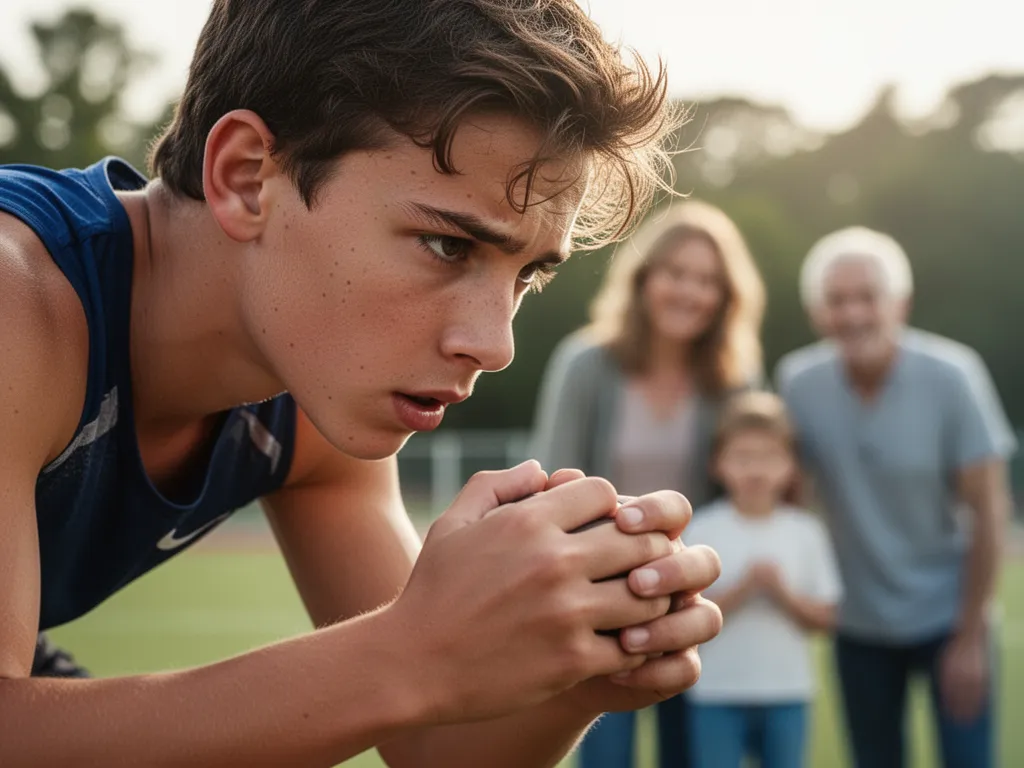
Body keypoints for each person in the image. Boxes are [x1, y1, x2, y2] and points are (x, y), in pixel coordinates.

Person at [0, 2, 727, 765]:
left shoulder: (311, 380)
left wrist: (580, 667)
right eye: (447, 245)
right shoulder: (19, 300)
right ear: (246, 178)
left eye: (526, 276)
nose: (495, 345)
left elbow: (433, 745)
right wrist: (413, 650)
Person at [531, 199, 765, 768]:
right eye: (676, 273)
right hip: (601, 601)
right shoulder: (585, 364)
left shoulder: (735, 380)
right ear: (644, 279)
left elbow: (749, 490)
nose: (690, 291)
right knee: (606, 755)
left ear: (726, 297)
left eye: (707, 281)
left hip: (694, 600)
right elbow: (552, 482)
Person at [775, 226, 1015, 768]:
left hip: (950, 617)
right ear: (817, 312)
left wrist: (971, 636)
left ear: (900, 304)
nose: (853, 313)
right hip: (858, 623)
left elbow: (989, 510)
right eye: (837, 300)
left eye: (867, 297)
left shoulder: (954, 376)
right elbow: (787, 498)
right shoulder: (798, 382)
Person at [684, 391, 842, 768]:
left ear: (790, 466)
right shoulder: (701, 528)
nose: (755, 470)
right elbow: (686, 617)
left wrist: (781, 592)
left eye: (769, 457)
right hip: (717, 691)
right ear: (717, 463)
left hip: (787, 691)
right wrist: (742, 590)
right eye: (742, 457)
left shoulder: (805, 532)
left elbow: (825, 617)